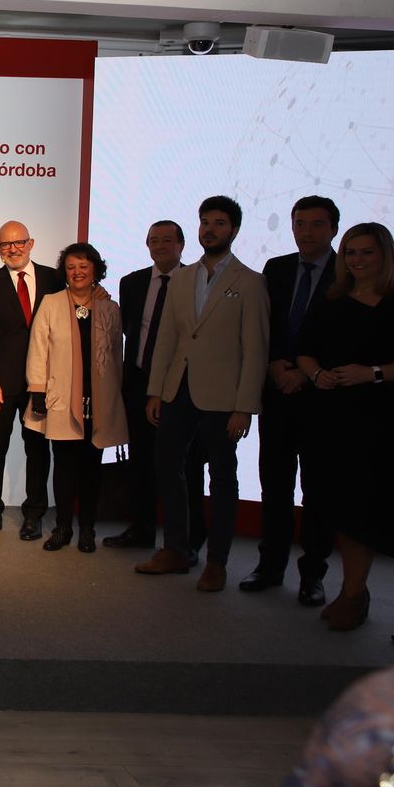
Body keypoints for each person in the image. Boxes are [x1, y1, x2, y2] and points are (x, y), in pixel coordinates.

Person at [296, 222, 394, 630]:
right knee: (335, 503)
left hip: (381, 421)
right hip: (331, 419)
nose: (357, 260)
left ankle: (354, 591)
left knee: (366, 506)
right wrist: (317, 375)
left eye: (366, 252)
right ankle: (353, 589)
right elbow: (304, 351)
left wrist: (371, 373)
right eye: (351, 252)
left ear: (384, 256)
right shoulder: (329, 302)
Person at [139, 195, 270, 593]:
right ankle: (177, 549)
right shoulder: (181, 277)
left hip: (223, 398)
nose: (209, 229)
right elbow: (167, 339)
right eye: (204, 222)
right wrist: (156, 391)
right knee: (167, 466)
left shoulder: (250, 282)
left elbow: (256, 348)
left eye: (218, 223)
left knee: (223, 478)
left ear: (233, 230)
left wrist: (245, 407)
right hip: (177, 389)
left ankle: (217, 562)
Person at [243, 196, 339, 605]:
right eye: (300, 224)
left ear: (333, 228)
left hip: (324, 398)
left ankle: (313, 574)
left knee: (319, 491)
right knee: (275, 487)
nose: (306, 232)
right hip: (277, 393)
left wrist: (307, 372)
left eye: (316, 225)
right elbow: (263, 327)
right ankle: (270, 566)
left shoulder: (347, 272)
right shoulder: (276, 269)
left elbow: (348, 333)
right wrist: (274, 368)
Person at [24, 243, 128, 553]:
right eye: (71, 267)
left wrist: (114, 396)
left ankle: (87, 530)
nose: (77, 272)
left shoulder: (110, 307)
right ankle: (63, 528)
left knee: (92, 470)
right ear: (64, 272)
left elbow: (116, 357)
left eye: (83, 266)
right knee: (64, 467)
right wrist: (38, 389)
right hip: (60, 400)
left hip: (98, 403)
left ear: (95, 268)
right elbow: (38, 349)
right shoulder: (52, 303)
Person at [108, 219, 199, 551]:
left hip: (180, 385)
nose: (160, 246)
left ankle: (187, 541)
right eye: (153, 241)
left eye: (166, 240)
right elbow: (132, 332)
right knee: (141, 462)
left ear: (182, 245)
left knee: (182, 465)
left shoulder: (196, 281)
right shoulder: (131, 283)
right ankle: (141, 530)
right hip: (138, 382)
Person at [0, 219, 62, 541]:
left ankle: (34, 515)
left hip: (41, 384)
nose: (12, 249)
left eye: (18, 243)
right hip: (1, 384)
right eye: (5, 245)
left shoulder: (55, 279)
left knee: (38, 452)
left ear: (31, 243)